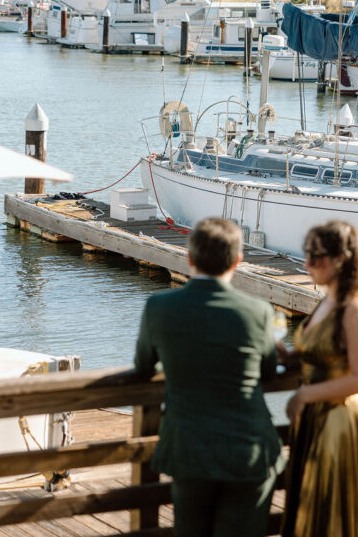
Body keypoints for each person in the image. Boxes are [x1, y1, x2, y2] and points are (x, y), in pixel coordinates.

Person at [134, 217, 284, 537]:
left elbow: (143, 367)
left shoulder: (158, 307)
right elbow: (268, 371)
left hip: (190, 448)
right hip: (249, 448)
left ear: (189, 258)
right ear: (238, 262)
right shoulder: (259, 311)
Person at [281, 220, 358, 537]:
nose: (307, 263)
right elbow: (325, 355)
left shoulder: (356, 307)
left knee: (334, 513)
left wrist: (303, 396)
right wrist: (289, 358)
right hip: (316, 418)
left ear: (340, 258)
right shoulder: (328, 300)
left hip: (340, 421)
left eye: (316, 256)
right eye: (307, 254)